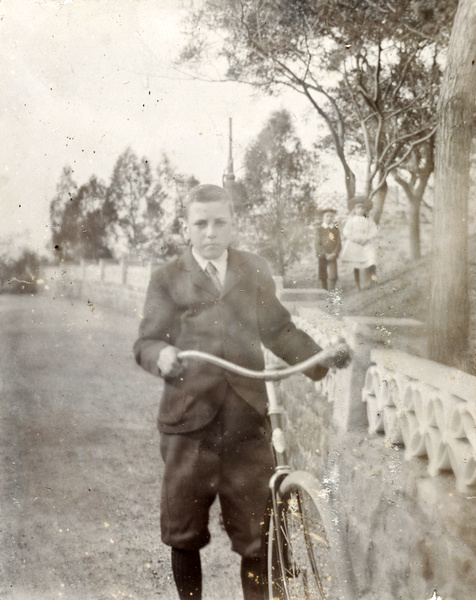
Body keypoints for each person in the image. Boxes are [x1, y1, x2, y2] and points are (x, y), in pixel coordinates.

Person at [133, 184, 351, 600]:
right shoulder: (166, 279)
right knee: (183, 530)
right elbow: (145, 343)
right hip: (187, 422)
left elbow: (279, 329)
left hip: (246, 421)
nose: (211, 232)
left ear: (233, 225)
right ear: (186, 227)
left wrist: (321, 360)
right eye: (201, 223)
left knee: (258, 535)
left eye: (219, 222)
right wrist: (161, 354)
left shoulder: (253, 270)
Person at [340, 197, 378, 291]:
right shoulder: (351, 220)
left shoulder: (368, 220)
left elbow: (374, 230)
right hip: (355, 243)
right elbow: (346, 231)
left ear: (365, 210)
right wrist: (354, 239)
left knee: (371, 261)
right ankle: (358, 285)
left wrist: (367, 238)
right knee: (356, 264)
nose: (360, 210)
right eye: (358, 208)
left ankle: (373, 281)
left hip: (366, 243)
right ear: (354, 210)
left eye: (362, 208)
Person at [315, 207, 342, 291]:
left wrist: (334, 254)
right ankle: (324, 290)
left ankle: (332, 290)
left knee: (333, 274)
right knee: (323, 274)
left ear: (333, 218)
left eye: (331, 216)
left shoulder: (336, 230)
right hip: (323, 255)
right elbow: (317, 244)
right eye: (327, 216)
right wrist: (324, 253)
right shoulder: (320, 229)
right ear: (323, 217)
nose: (329, 218)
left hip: (332, 255)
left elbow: (338, 243)